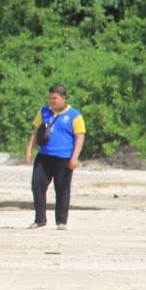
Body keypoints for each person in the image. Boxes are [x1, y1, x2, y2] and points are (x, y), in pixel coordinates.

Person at [24, 84, 86, 230]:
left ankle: (61, 221)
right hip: (44, 156)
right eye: (50, 98)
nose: (51, 101)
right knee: (37, 185)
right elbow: (36, 131)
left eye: (55, 98)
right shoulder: (44, 111)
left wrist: (75, 157)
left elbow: (80, 137)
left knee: (62, 188)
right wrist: (29, 150)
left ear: (63, 98)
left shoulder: (75, 115)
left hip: (64, 157)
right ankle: (40, 219)